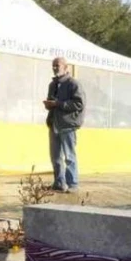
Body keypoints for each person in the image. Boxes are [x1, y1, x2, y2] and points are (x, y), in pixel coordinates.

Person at [44, 57, 85, 192]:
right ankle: (59, 183)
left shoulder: (73, 84)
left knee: (69, 156)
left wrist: (58, 104)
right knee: (55, 156)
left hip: (67, 126)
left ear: (66, 67)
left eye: (57, 65)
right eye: (53, 66)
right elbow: (52, 102)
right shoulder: (52, 85)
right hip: (54, 124)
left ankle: (72, 184)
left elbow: (79, 104)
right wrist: (49, 105)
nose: (55, 68)